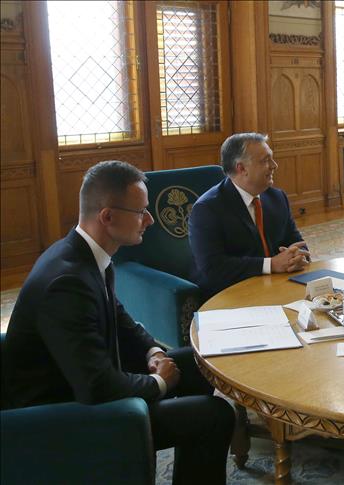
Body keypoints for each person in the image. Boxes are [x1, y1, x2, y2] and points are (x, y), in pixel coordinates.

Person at [3, 161, 235, 484]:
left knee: (199, 364)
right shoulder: (66, 283)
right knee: (215, 415)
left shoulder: (85, 253)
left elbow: (120, 319)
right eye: (141, 212)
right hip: (68, 415)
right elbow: (96, 387)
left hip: (89, 376)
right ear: (107, 217)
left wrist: (153, 351)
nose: (150, 220)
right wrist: (159, 383)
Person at [189, 133, 310, 300]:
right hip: (229, 295)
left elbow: (296, 242)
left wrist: (298, 256)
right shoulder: (207, 209)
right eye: (265, 160)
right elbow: (213, 268)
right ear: (241, 168)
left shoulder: (277, 198)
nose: (274, 165)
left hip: (277, 286)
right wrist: (271, 264)